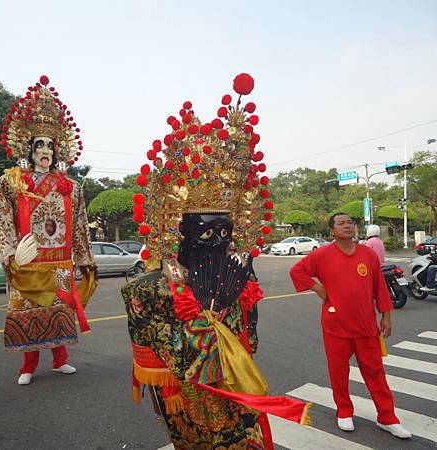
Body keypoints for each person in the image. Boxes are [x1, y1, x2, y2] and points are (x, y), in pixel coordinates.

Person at [122, 74, 311, 449]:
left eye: (225, 232)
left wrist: (233, 336)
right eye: (204, 232)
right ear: (179, 230)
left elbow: (250, 331)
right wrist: (197, 333)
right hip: (187, 388)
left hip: (236, 380)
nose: (216, 242)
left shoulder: (239, 275)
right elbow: (145, 335)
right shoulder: (156, 285)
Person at [0, 75, 97, 385]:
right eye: (39, 145)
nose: (45, 151)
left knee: (60, 309)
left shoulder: (72, 188)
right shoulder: (11, 183)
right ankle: (28, 365)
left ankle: (60, 359)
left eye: (50, 146)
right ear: (28, 147)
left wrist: (85, 259)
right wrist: (12, 255)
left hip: (60, 264)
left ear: (58, 150)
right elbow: (1, 220)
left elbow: (79, 226)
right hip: (29, 263)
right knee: (30, 312)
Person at [290, 212, 412, 439]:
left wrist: (386, 316)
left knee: (376, 373)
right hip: (335, 326)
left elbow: (380, 288)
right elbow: (297, 271)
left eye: (350, 222)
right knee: (338, 372)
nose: (347, 226)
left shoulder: (368, 254)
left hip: (366, 326)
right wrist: (318, 288)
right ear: (332, 231)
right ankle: (344, 410)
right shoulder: (322, 255)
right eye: (341, 223)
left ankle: (387, 417)